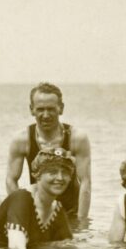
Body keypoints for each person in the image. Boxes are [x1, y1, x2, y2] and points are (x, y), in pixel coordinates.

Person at [6, 82, 91, 222]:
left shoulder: (77, 138)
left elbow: (86, 183)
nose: (45, 115)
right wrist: (22, 213)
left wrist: (81, 221)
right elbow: (11, 180)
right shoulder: (22, 139)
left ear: (61, 108)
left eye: (51, 109)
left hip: (71, 211)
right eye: (40, 109)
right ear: (31, 109)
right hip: (38, 211)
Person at [0, 149, 75, 249]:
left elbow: (68, 248)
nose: (60, 178)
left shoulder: (57, 209)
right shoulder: (21, 199)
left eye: (65, 172)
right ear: (37, 174)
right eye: (53, 172)